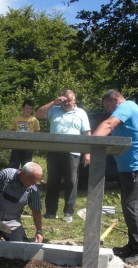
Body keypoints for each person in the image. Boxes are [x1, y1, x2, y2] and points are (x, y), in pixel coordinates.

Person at [92, 89, 138, 265]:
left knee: (132, 206)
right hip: (129, 167)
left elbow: (109, 124)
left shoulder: (126, 106)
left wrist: (89, 144)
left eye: (109, 106)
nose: (109, 111)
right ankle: (133, 245)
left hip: (137, 165)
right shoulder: (130, 110)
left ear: (116, 100)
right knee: (128, 206)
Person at [36, 90, 91, 223]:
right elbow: (38, 114)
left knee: (71, 181)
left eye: (69, 100)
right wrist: (54, 102)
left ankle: (68, 212)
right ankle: (50, 212)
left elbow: (87, 133)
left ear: (74, 101)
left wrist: (88, 153)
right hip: (54, 151)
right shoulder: (54, 109)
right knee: (52, 181)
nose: (66, 103)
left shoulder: (81, 113)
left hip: (73, 152)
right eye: (64, 100)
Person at [0, 162, 44, 243]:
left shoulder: (33, 189)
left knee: (21, 246)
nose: (33, 184)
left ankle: (1, 232)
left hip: (13, 220)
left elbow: (36, 210)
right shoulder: (5, 175)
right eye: (31, 180)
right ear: (22, 174)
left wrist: (39, 231)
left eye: (36, 181)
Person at [9, 100, 40, 169]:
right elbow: (13, 132)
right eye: (27, 108)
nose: (28, 110)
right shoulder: (16, 119)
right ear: (23, 108)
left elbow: (37, 133)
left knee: (26, 167)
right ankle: (12, 179)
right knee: (13, 165)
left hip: (28, 147)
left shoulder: (35, 120)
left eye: (30, 108)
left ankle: (24, 179)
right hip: (17, 146)